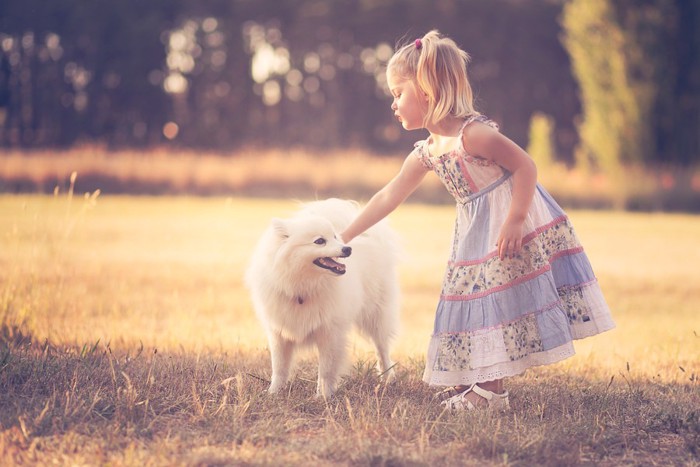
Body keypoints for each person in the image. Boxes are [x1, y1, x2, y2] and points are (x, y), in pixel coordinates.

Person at [339, 30, 615, 411]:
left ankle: (491, 392)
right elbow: (389, 195)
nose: (393, 104)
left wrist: (516, 219)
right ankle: (479, 385)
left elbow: (525, 166)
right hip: (474, 233)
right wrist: (343, 237)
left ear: (427, 91)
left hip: (509, 225)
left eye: (397, 93)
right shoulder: (429, 151)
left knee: (495, 302)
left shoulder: (475, 135)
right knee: (474, 299)